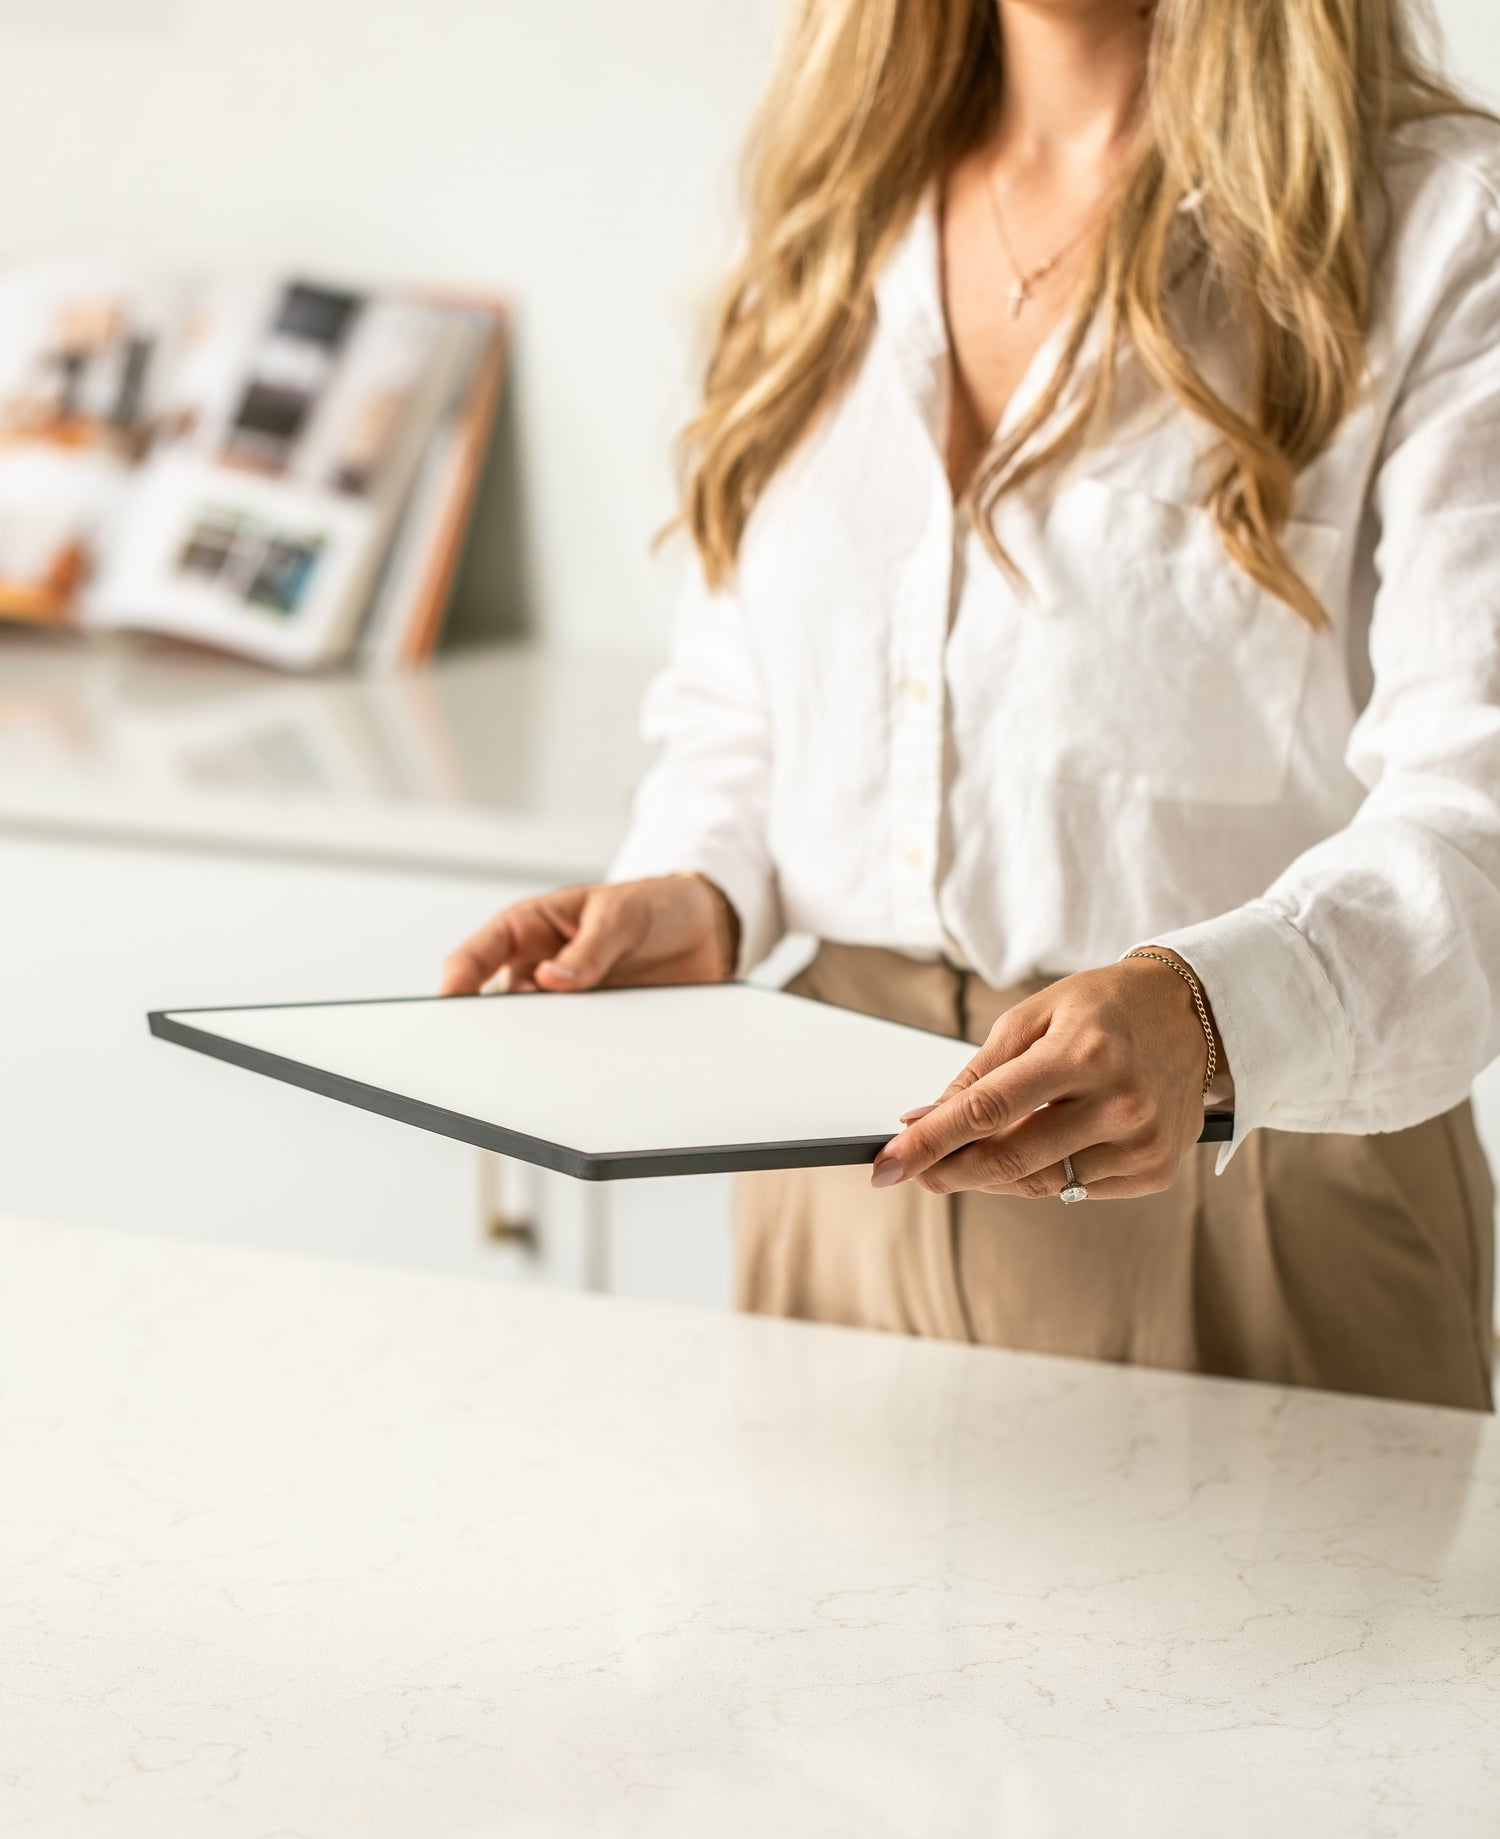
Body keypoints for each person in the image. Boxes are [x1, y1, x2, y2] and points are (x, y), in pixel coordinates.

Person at [444, 0, 1500, 1412]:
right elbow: (745, 693)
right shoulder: (837, 213)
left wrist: (1208, 1014)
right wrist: (702, 882)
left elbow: (1474, 806)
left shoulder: (1442, 230)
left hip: (1253, 1184)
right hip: (835, 1170)